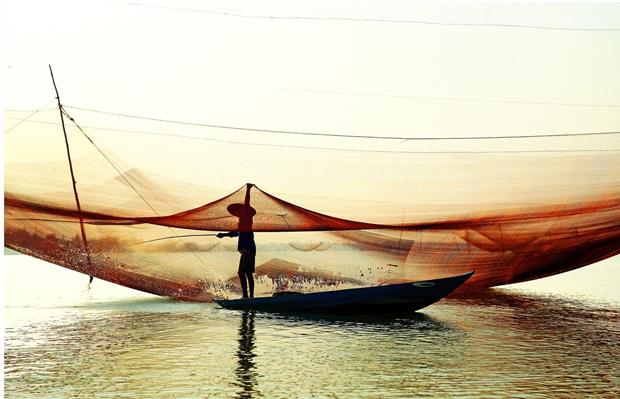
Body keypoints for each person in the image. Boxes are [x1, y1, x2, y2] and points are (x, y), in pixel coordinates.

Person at [217, 183, 257, 299]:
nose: (239, 213)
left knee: (245, 273)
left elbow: (247, 203)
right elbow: (235, 233)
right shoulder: (241, 223)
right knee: (245, 273)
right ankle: (247, 296)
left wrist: (248, 189)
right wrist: (223, 235)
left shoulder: (247, 219)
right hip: (245, 249)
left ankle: (249, 296)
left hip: (248, 248)